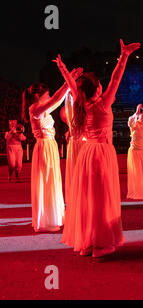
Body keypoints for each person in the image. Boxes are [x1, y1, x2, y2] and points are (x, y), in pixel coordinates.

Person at [55, 39, 141, 257]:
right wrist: (124, 56)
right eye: (99, 84)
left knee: (87, 197)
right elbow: (116, 77)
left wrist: (63, 68)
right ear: (97, 88)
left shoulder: (80, 102)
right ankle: (101, 244)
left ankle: (87, 242)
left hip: (86, 153)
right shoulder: (103, 103)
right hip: (101, 153)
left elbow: (72, 85)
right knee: (101, 198)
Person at [23, 75, 81, 232]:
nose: (48, 97)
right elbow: (55, 100)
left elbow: (56, 100)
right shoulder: (34, 109)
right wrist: (67, 82)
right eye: (46, 94)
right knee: (46, 180)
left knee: (52, 179)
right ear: (37, 96)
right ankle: (46, 219)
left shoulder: (43, 109)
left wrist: (68, 83)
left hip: (50, 146)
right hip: (44, 147)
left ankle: (53, 215)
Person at [60, 91, 86, 202]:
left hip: (85, 145)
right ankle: (76, 194)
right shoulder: (72, 119)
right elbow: (69, 105)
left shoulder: (86, 114)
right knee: (76, 170)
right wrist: (68, 93)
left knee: (85, 172)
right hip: (76, 145)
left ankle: (84, 193)